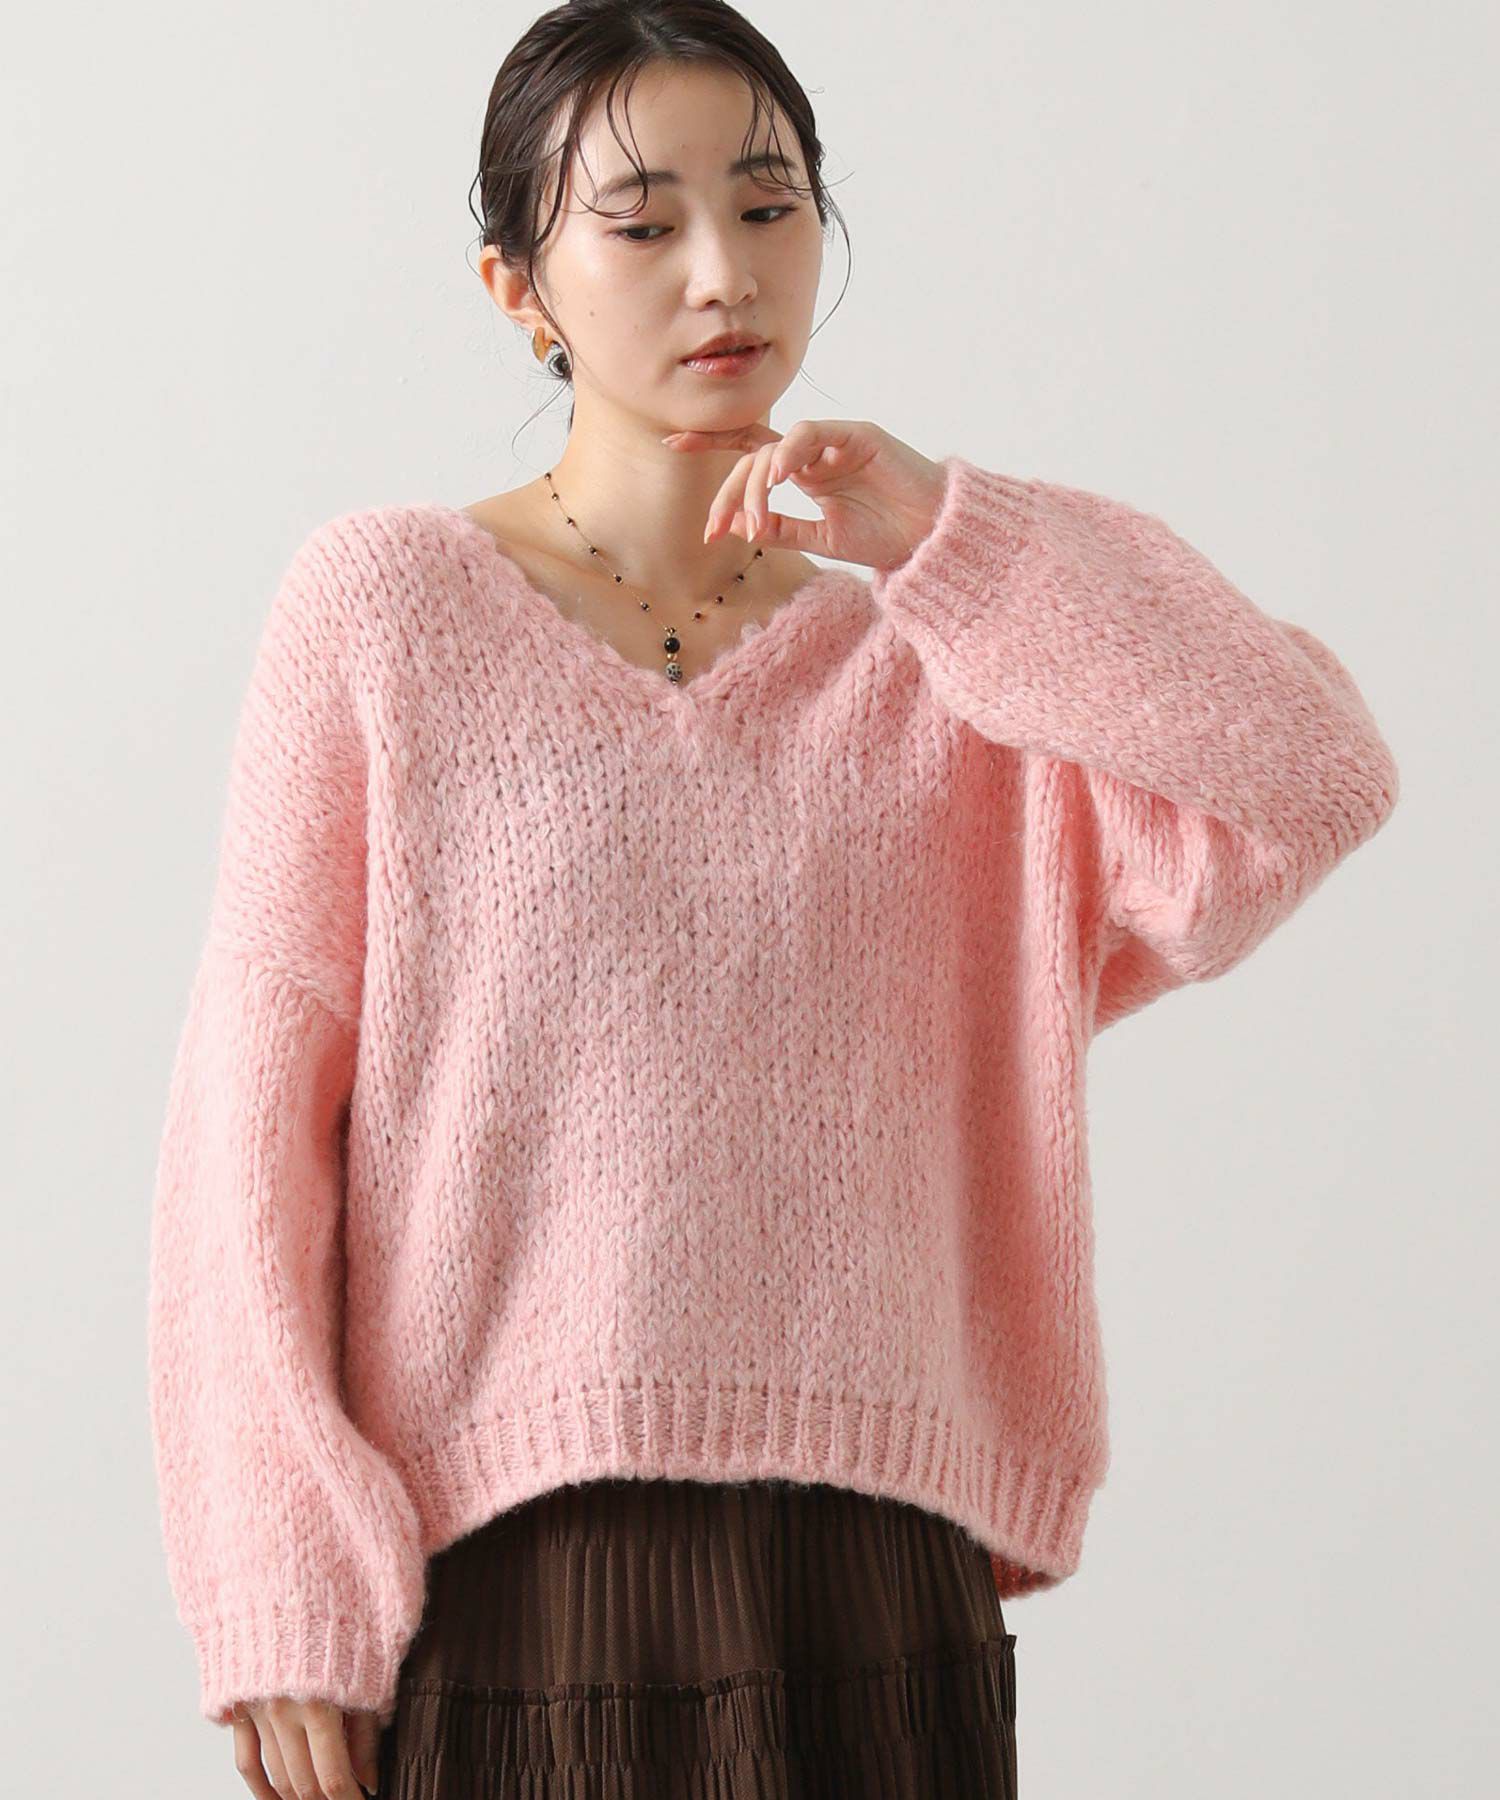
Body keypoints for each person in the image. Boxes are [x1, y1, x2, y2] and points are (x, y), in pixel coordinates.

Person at [145, 3, 1401, 1797]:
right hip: (511, 1580)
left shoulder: (953, 662)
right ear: (518, 286)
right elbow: (249, 1122)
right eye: (641, 223)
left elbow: (1311, 776)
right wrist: (276, 1577)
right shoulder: (384, 611)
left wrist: (951, 538)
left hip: (874, 1589)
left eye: (769, 204)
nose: (724, 273)